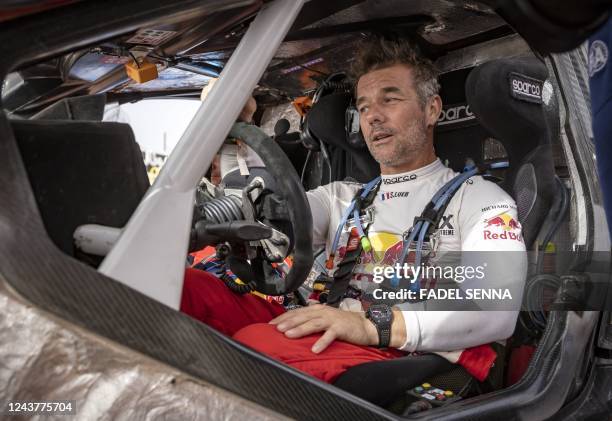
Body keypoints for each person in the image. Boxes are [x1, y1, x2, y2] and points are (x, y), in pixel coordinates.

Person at [181, 35, 527, 403]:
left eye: (390, 99)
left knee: (258, 343)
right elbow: (271, 213)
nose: (374, 115)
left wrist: (369, 325)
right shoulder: (341, 197)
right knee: (185, 287)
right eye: (363, 107)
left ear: (431, 110)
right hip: (329, 322)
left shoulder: (480, 200)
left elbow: (495, 308)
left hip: (401, 347)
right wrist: (235, 132)